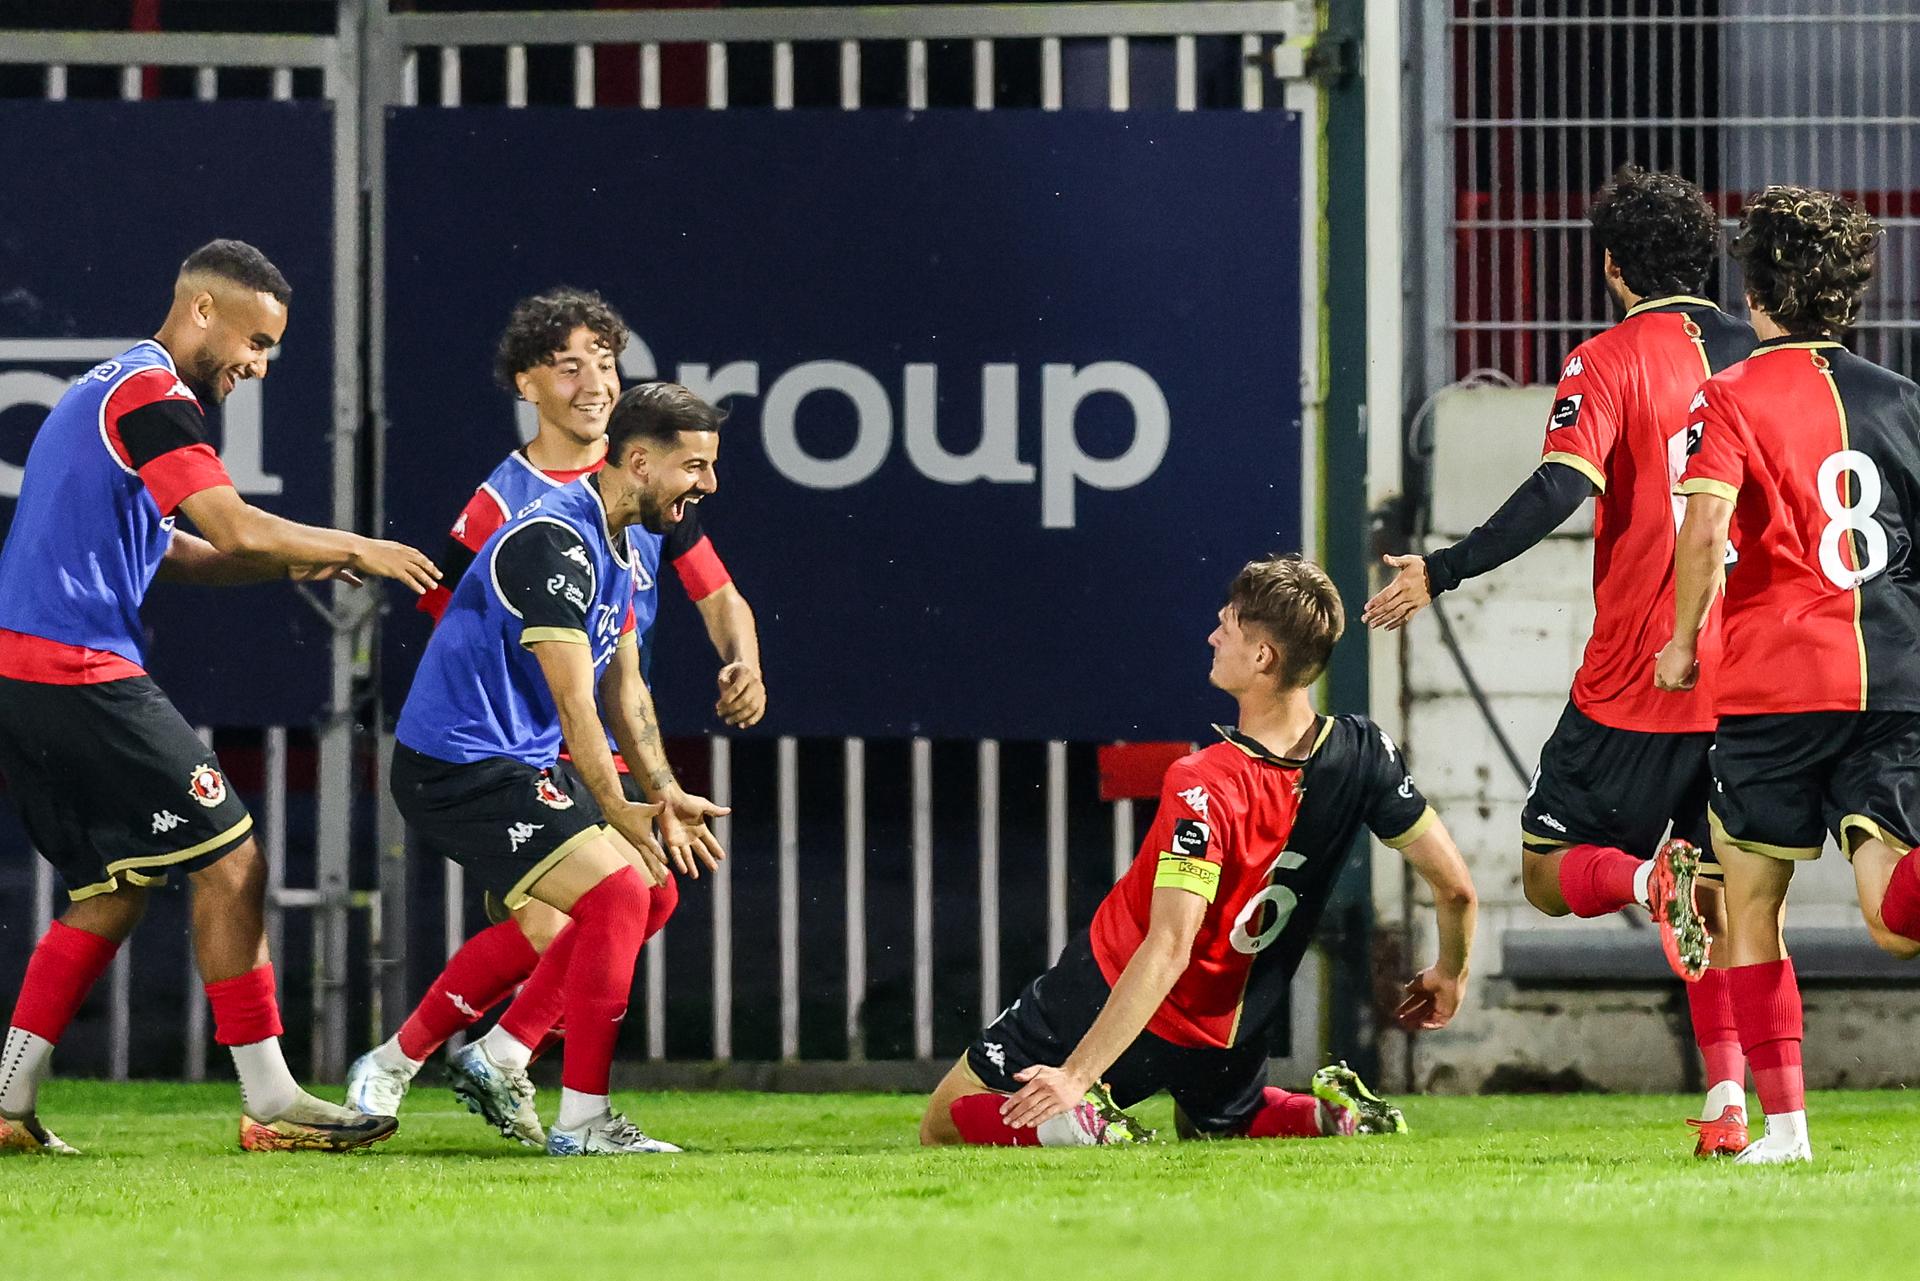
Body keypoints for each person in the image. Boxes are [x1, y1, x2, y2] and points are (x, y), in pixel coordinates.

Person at [0, 239, 440, 1154]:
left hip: (30, 668)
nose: (259, 362)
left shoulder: (113, 388)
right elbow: (233, 523)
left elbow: (182, 551)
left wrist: (284, 562)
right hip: (78, 665)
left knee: (113, 888)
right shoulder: (154, 396)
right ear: (203, 309)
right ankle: (272, 1100)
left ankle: (6, 1103)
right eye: (257, 339)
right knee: (232, 860)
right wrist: (359, 545)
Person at [1363, 166, 1759, 1156]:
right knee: (1728, 900)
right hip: (1754, 680)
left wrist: (1440, 569)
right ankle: (1733, 1107)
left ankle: (1641, 884)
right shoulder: (1763, 357)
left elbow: (1554, 493)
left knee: (1547, 873)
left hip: (1640, 678)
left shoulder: (1610, 359)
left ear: (1616, 268)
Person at [348, 291, 762, 1146]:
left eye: (605, 362)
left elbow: (626, 674)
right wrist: (617, 804)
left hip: (544, 754)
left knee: (643, 895)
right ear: (527, 384)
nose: (594, 381)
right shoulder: (524, 516)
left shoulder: (635, 518)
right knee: (597, 900)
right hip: (477, 756)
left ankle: (487, 1056)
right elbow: (522, 654)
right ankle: (560, 1108)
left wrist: (665, 786)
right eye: (570, 364)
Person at [920, 555, 1476, 1147]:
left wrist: (1076, 1078)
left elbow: (1169, 943)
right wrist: (1451, 971)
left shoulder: (1204, 781)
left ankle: (1080, 1126)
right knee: (1223, 1122)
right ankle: (1325, 1115)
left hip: (1115, 999)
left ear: (1263, 657)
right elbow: (1456, 889)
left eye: (1227, 627)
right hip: (1229, 1029)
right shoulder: (1367, 752)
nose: (1213, 636)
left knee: (947, 1120)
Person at [1656, 185, 1920, 1166]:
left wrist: (1683, 641)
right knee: (1893, 916)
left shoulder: (1727, 396)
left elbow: (1706, 522)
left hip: (1776, 683)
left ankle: (1788, 1131)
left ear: (1753, 289)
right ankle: (1784, 1136)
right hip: (1893, 674)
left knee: (1751, 900)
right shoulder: (1904, 402)